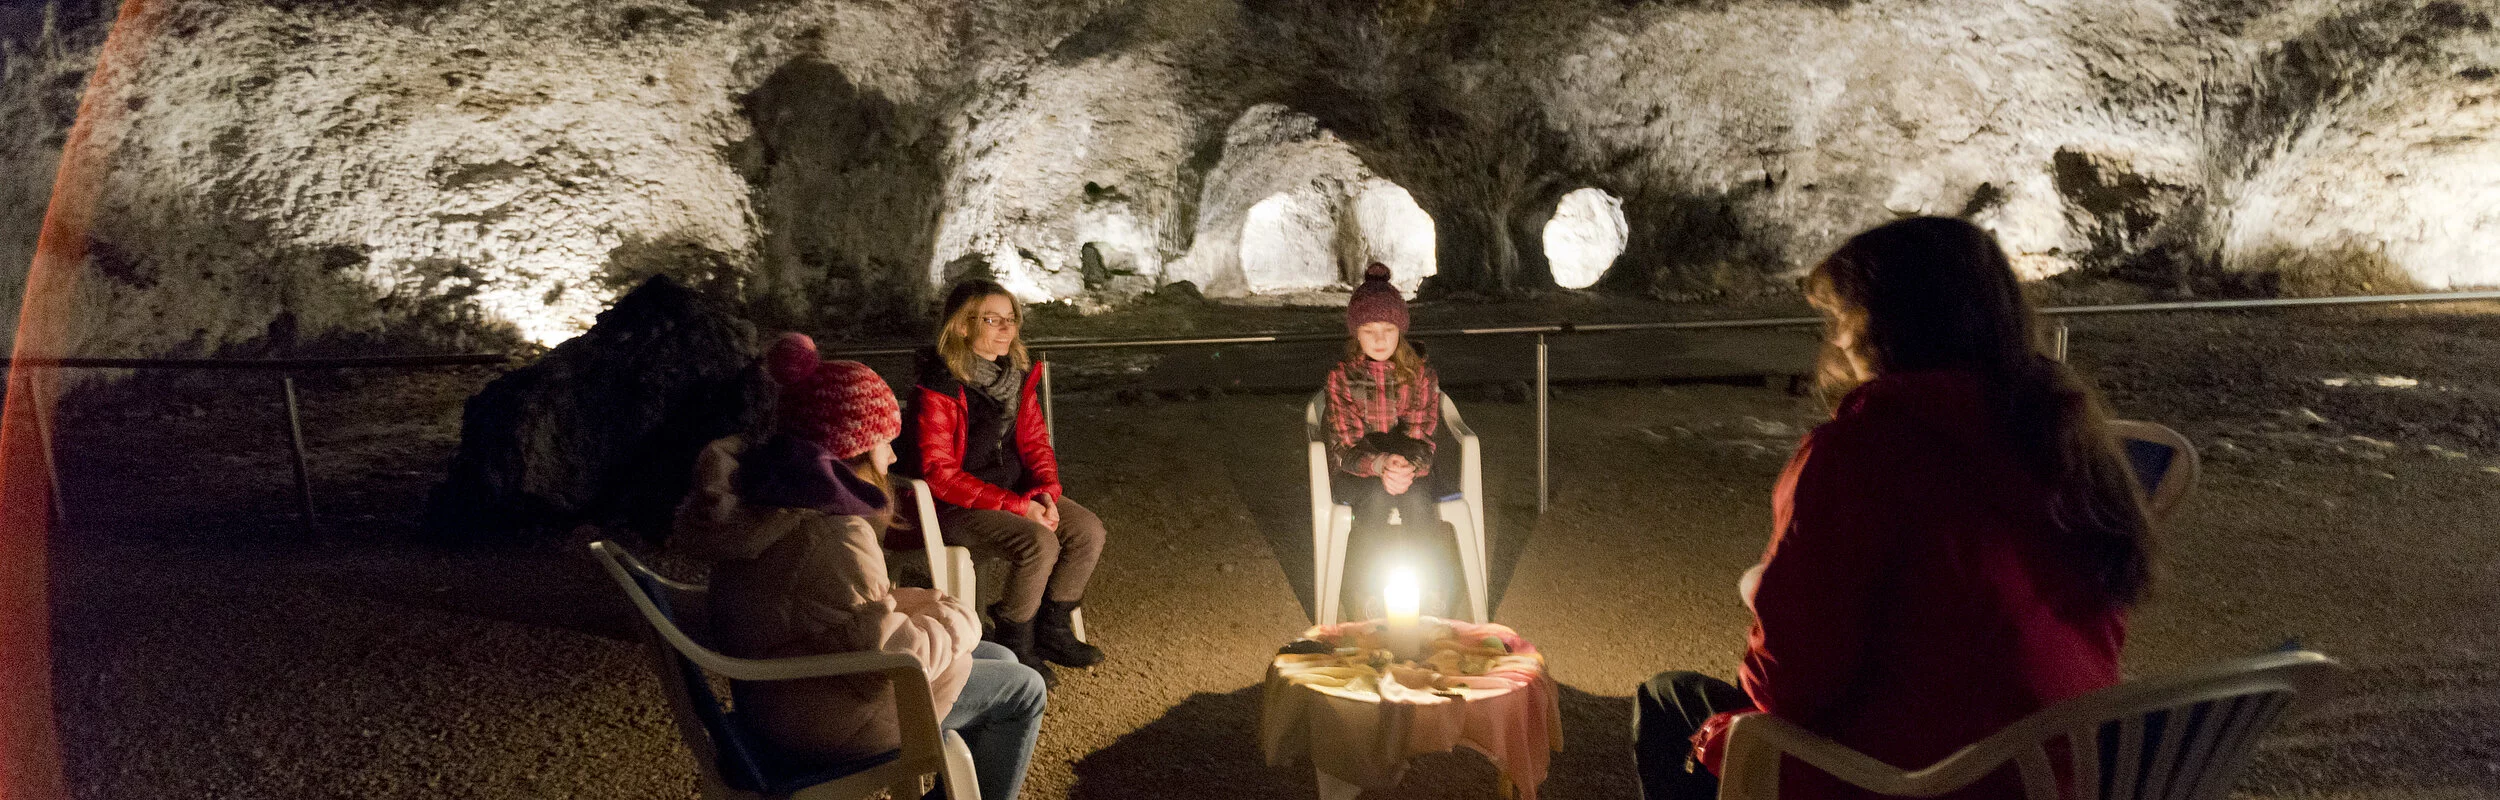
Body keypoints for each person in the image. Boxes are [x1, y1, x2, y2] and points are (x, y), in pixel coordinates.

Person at [1632, 217, 2157, 800]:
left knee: (1669, 700)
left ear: (1888, 325)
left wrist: (1770, 597)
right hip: (2061, 768)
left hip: (1922, 778)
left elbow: (1785, 688)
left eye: (1841, 319)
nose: (1835, 341)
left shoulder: (1865, 450)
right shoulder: (2062, 433)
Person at [675, 333, 1046, 800]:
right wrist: (958, 616)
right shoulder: (833, 533)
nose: (893, 457)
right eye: (887, 443)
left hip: (780, 693)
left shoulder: (767, 501)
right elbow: (888, 660)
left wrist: (921, 607)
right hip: (823, 720)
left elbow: (841, 613)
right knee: (1024, 689)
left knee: (1003, 658)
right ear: (854, 449)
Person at [907, 279, 1107, 686]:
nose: (1006, 329)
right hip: (952, 504)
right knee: (1038, 542)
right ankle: (1015, 638)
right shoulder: (940, 386)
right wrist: (1021, 508)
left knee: (1087, 531)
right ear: (963, 326)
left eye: (1011, 320)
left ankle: (1051, 629)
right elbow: (940, 474)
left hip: (1013, 493)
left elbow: (1035, 443)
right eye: (993, 320)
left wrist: (1047, 494)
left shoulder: (1014, 378)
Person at [1322, 263, 1462, 619]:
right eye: (1369, 330)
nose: (1380, 339)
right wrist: (1380, 464)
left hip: (1409, 468)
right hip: (1359, 473)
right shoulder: (1342, 378)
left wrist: (1407, 467)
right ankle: (1364, 594)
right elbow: (1345, 445)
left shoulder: (1421, 375)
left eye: (1388, 329)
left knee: (1418, 501)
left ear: (1400, 330)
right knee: (1372, 499)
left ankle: (1431, 591)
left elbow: (1422, 435)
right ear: (1357, 334)